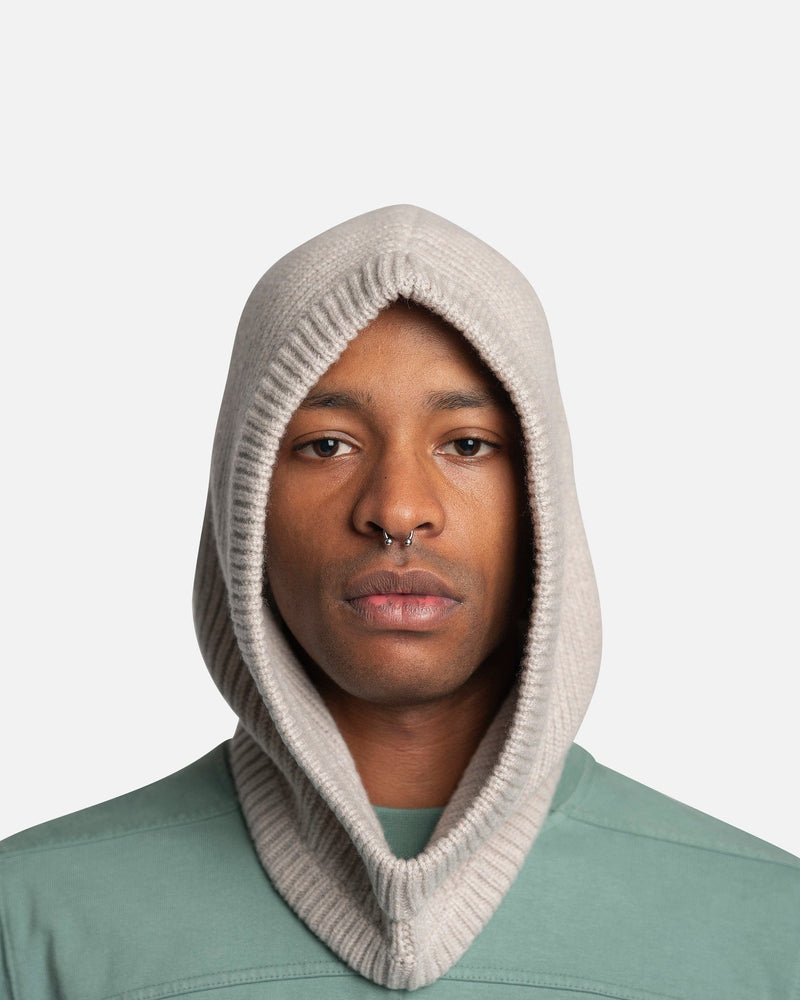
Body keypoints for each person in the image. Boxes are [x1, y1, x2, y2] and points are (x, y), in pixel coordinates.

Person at [1, 205, 798, 998]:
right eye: (326, 445)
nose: (398, 509)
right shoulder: (34, 918)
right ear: (243, 505)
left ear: (543, 499)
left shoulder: (769, 931)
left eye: (468, 444)